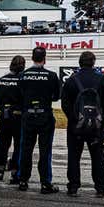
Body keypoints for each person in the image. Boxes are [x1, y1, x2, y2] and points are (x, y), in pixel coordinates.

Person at [61, 51, 104, 197]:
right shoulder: (103, 79)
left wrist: (74, 119)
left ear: (79, 62)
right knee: (97, 157)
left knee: (74, 157)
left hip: (75, 126)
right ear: (93, 62)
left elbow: (65, 104)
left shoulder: (71, 80)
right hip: (96, 126)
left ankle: (73, 187)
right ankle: (100, 187)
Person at [17, 47, 61, 194]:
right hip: (44, 117)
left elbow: (20, 95)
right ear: (44, 59)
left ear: (32, 58)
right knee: (45, 151)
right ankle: (45, 183)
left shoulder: (23, 75)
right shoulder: (52, 75)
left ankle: (23, 180)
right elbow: (56, 96)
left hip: (28, 116)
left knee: (26, 149)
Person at [0, 55, 26, 182]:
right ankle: (15, 172)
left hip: (5, 116)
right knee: (19, 145)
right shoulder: (23, 81)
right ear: (22, 66)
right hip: (18, 117)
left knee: (3, 144)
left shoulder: (1, 80)